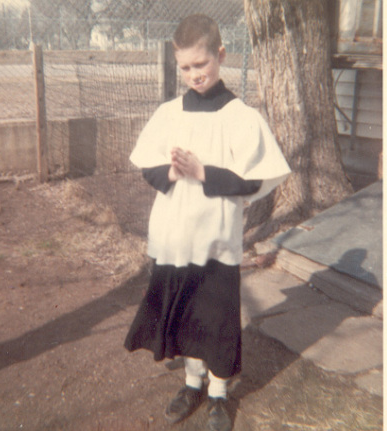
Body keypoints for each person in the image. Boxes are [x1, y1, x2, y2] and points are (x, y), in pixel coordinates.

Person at [124, 14, 291, 431]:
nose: (195, 75)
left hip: (216, 237)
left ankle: (218, 392)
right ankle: (191, 382)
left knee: (214, 314)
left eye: (202, 64)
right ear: (177, 64)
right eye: (186, 67)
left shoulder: (240, 116)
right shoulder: (169, 113)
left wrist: (204, 172)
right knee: (184, 312)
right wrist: (173, 172)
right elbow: (147, 166)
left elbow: (256, 178)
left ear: (220, 55)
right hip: (176, 234)